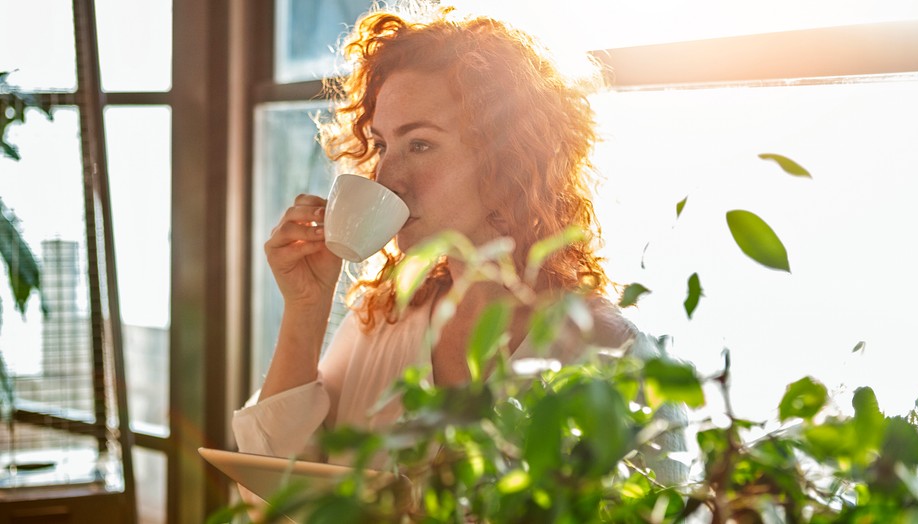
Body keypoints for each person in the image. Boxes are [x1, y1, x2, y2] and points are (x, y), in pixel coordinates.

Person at [233, 3, 686, 487]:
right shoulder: (382, 324)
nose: (386, 179)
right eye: (382, 145)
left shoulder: (613, 354)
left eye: (420, 145)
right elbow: (278, 484)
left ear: (509, 159)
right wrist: (305, 307)